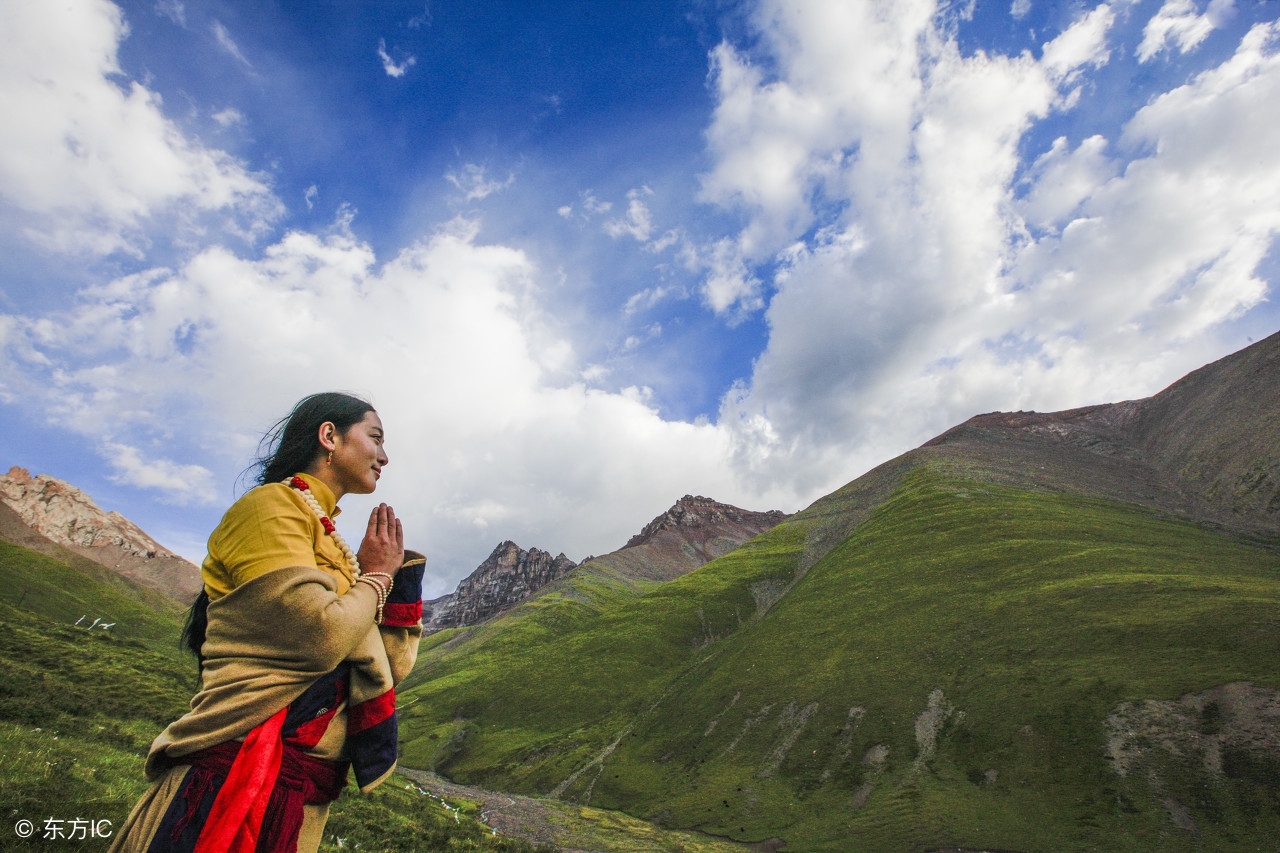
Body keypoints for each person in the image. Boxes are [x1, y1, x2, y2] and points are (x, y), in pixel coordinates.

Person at [109, 392, 425, 853]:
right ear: (329, 436)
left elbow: (383, 668)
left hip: (299, 799)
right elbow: (319, 638)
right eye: (375, 437)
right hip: (227, 783)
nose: (385, 456)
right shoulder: (271, 507)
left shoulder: (332, 542)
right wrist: (376, 578)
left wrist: (385, 580)